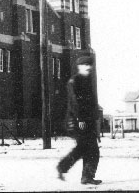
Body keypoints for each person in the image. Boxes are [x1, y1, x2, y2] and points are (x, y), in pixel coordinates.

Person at [57, 55, 101, 185]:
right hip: (78, 121)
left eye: (90, 65)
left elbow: (91, 103)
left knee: (85, 148)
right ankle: (83, 175)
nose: (88, 67)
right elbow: (75, 102)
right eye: (85, 65)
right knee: (89, 149)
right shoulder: (74, 81)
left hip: (88, 121)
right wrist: (80, 118)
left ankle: (82, 175)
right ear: (79, 67)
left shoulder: (87, 81)